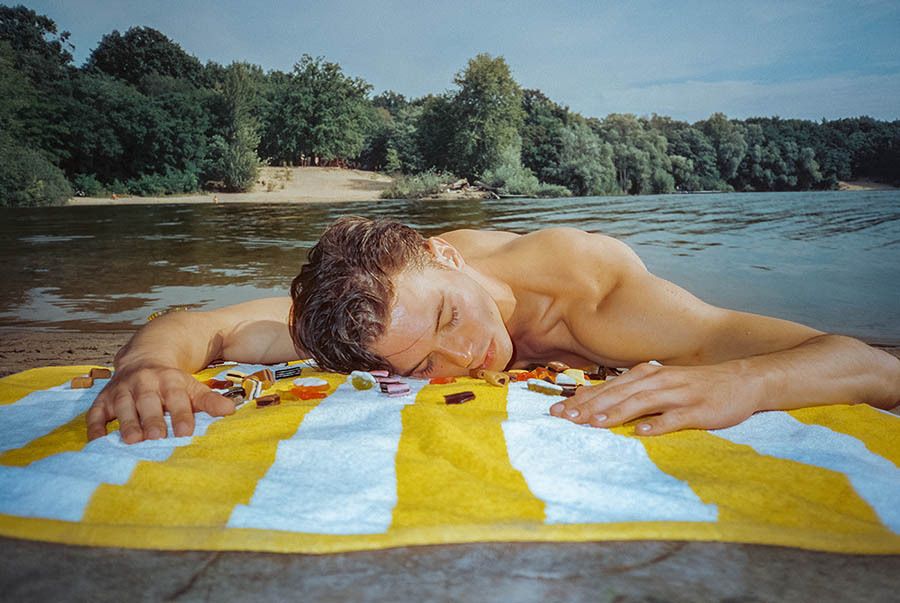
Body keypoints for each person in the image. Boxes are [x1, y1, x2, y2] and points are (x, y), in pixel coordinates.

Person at [86, 216, 900, 443]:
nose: (465, 354)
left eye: (451, 315)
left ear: (450, 256)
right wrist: (146, 368)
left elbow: (868, 364)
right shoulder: (373, 317)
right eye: (423, 365)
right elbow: (197, 326)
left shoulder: (596, 297)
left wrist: (745, 381)